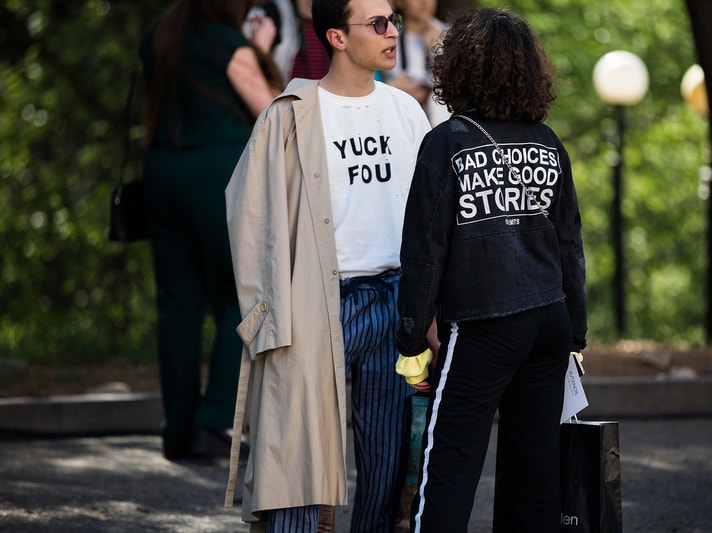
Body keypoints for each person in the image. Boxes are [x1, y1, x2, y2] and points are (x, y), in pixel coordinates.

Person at [223, 0, 431, 529]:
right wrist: (265, 313)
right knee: (298, 462)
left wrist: (431, 307)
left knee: (387, 467)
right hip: (319, 301)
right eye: (378, 23)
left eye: (394, 21)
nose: (392, 32)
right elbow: (248, 215)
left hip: (395, 300)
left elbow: (431, 216)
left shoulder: (406, 110)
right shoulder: (290, 113)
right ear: (337, 37)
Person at [393, 8, 588, 532]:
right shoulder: (548, 143)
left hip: (483, 323)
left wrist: (411, 340)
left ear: (458, 68)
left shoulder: (447, 143)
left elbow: (424, 252)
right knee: (535, 475)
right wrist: (578, 332)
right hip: (550, 321)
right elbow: (570, 245)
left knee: (449, 466)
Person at [139, 0, 284, 461]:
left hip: (160, 174)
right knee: (245, 295)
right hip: (216, 174)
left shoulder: (159, 36)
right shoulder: (227, 44)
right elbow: (271, 110)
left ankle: (177, 429)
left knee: (177, 305)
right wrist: (259, 49)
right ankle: (215, 420)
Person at [382, 0, 449, 126]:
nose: (424, 2)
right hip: (401, 121)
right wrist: (395, 90)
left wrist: (439, 52)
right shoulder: (388, 39)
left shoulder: (451, 36)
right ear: (399, 3)